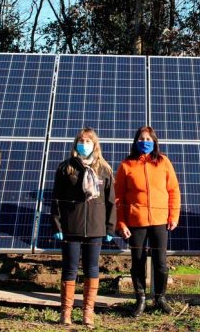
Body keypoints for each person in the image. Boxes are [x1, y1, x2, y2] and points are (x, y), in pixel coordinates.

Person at [51, 128, 116, 327]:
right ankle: (66, 312)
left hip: (96, 229)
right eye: (81, 140)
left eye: (88, 141)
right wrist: (57, 224)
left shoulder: (104, 170)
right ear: (76, 143)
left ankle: (88, 312)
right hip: (71, 227)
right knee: (70, 270)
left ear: (95, 145)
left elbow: (111, 201)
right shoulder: (66, 168)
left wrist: (109, 228)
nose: (84, 144)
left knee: (92, 269)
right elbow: (56, 199)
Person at [115, 126, 181, 317]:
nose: (145, 142)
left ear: (154, 142)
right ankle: (140, 300)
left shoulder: (163, 162)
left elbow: (173, 191)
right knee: (137, 262)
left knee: (161, 262)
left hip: (160, 221)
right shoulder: (126, 165)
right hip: (136, 222)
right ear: (136, 141)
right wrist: (121, 223)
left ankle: (160, 298)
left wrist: (173, 216)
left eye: (149, 139)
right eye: (142, 139)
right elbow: (118, 198)